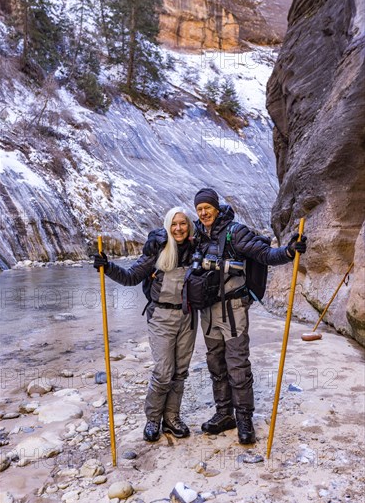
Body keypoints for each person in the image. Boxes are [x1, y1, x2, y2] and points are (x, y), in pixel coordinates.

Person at [190, 188, 307, 445]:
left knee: (238, 365)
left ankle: (244, 419)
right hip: (208, 310)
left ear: (216, 208)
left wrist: (288, 252)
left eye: (207, 207)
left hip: (233, 310)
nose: (204, 212)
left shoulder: (235, 232)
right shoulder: (197, 235)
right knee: (215, 363)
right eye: (199, 209)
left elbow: (263, 254)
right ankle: (224, 414)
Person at [93, 207, 197, 442]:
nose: (178, 228)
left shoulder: (197, 248)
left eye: (183, 223)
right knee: (163, 373)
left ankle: (172, 418)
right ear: (167, 226)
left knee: (180, 372)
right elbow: (130, 277)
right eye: (174, 224)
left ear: (189, 226)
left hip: (188, 317)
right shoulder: (157, 250)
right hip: (161, 317)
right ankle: (153, 419)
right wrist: (107, 267)